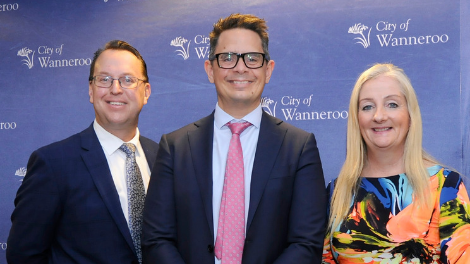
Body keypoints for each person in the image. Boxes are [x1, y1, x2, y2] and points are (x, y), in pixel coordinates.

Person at [142, 13, 326, 264]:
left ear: (268, 70)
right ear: (210, 69)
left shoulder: (299, 147)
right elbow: (157, 239)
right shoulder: (175, 147)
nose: (240, 68)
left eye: (253, 58)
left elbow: (306, 243)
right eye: (227, 58)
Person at [7, 40, 158, 264]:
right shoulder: (53, 163)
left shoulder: (162, 157)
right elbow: (23, 256)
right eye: (104, 79)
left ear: (146, 92)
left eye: (128, 80)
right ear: (91, 90)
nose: (115, 89)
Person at [322, 63, 470, 264]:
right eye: (367, 106)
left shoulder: (446, 186)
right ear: (357, 119)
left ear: (410, 115)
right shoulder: (337, 191)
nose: (379, 116)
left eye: (392, 104)